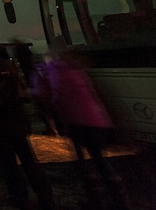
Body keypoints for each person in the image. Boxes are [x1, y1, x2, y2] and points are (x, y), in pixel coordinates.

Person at [40, 51, 129, 210]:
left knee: (84, 161)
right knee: (100, 159)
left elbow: (55, 97)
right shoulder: (78, 72)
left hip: (78, 122)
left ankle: (95, 198)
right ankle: (119, 198)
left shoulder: (56, 72)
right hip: (97, 120)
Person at [0, 48, 55, 210]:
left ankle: (21, 196)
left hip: (4, 124)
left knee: (11, 165)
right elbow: (20, 96)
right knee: (28, 162)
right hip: (16, 122)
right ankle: (44, 196)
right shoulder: (11, 70)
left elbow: (2, 96)